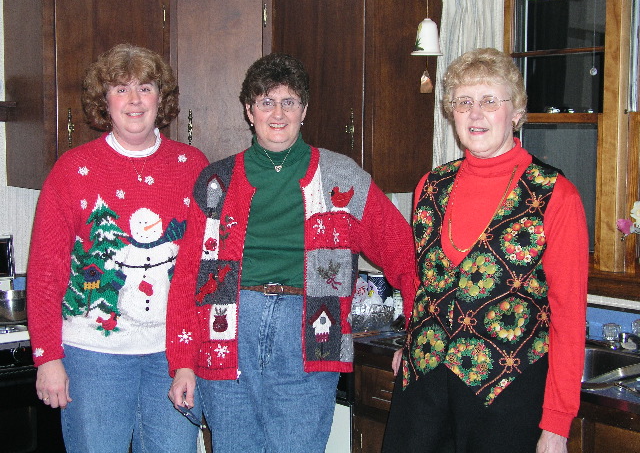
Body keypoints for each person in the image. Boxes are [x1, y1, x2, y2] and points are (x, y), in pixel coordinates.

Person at [166, 52, 417, 453]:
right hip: (227, 331)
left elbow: (403, 253)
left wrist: (418, 333)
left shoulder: (341, 176)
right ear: (249, 111)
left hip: (310, 331)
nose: (277, 113)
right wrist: (182, 360)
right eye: (266, 102)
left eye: (289, 102)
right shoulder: (216, 179)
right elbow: (187, 278)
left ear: (304, 109)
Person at [382, 48, 588, 453]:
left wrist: (557, 425)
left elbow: (568, 315)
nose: (476, 114)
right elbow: (426, 281)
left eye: (490, 101)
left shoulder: (554, 195)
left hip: (504, 392)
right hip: (423, 383)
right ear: (452, 113)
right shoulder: (431, 186)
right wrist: (411, 340)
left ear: (515, 112)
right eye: (464, 102)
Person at [26, 44, 210, 453]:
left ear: (161, 98)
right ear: (103, 100)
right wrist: (47, 358)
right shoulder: (72, 170)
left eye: (145, 88)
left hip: (172, 358)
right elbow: (44, 271)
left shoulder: (192, 166)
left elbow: (206, 269)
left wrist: (194, 357)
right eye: (120, 88)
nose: (134, 100)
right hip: (93, 358)